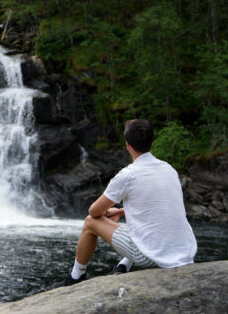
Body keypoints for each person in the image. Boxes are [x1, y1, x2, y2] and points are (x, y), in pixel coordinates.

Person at [62, 118, 196, 285]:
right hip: (185, 250)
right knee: (142, 223)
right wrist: (119, 211)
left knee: (90, 223)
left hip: (149, 257)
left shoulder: (128, 175)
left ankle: (76, 276)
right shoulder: (169, 169)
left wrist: (107, 213)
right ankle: (123, 265)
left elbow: (94, 212)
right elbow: (157, 209)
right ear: (152, 143)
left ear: (127, 145)